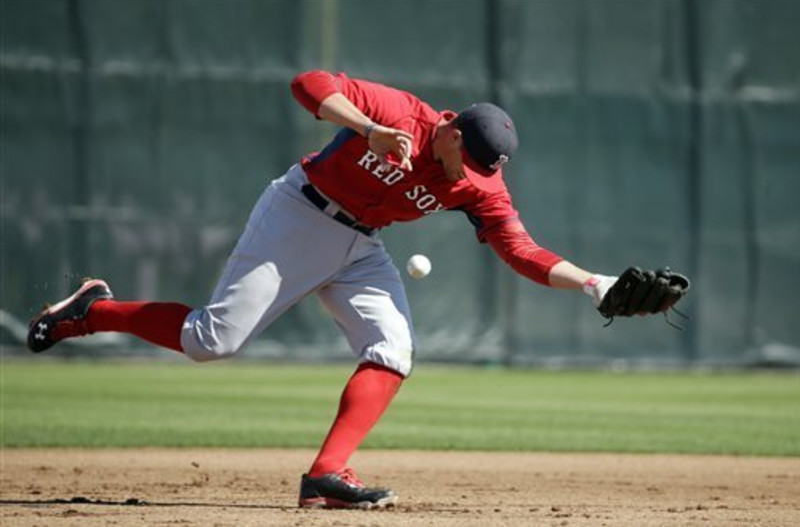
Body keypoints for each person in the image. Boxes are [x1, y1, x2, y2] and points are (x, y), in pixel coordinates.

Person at [27, 70, 623, 509]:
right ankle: (91, 312)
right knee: (210, 341)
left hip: (362, 246)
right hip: (299, 213)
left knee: (393, 350)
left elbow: (519, 248)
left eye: (481, 172)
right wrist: (367, 129)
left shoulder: (478, 185)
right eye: (464, 161)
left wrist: (593, 283)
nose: (466, 177)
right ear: (448, 128)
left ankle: (326, 476)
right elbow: (308, 82)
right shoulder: (403, 114)